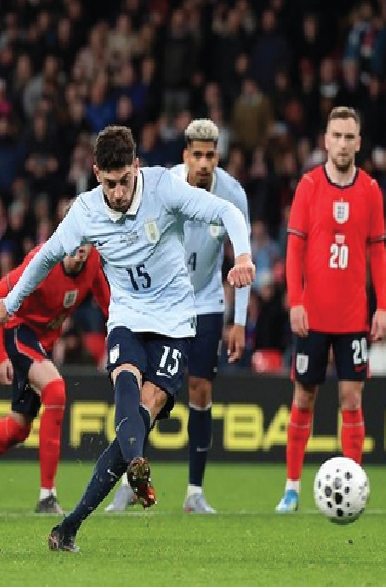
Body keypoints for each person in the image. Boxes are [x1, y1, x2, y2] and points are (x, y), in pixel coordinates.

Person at [0, 125, 255, 552]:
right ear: (96, 174)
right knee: (125, 384)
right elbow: (47, 256)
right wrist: (12, 304)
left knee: (143, 412)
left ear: (137, 168)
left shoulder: (165, 187)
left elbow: (229, 213)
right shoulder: (86, 211)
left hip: (174, 320)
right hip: (127, 314)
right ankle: (120, 478)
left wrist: (242, 256)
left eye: (124, 181)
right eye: (108, 183)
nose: (117, 192)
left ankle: (79, 515)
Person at [104, 118, 250, 514]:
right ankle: (129, 480)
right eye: (196, 154)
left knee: (201, 391)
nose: (203, 163)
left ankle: (194, 492)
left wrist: (240, 320)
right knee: (145, 392)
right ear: (186, 155)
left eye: (210, 155)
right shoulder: (164, 185)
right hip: (160, 304)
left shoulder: (233, 194)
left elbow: (242, 253)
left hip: (205, 302)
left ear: (218, 156)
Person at [276, 107, 386, 513]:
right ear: (326, 140)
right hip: (313, 316)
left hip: (353, 316)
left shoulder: (371, 191)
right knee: (304, 397)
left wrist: (383, 306)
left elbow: (378, 249)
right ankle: (291, 488)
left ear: (359, 142)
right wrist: (296, 302)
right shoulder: (308, 187)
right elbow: (294, 249)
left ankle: (353, 486)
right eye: (336, 136)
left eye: (349, 137)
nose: (342, 143)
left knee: (351, 399)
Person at [0, 242, 109, 514]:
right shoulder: (44, 260)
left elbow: (109, 305)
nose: (81, 247)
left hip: (42, 343)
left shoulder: (92, 263)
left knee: (20, 427)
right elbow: (0, 291)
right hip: (18, 331)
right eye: (77, 239)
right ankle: (47, 497)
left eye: (87, 240)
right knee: (56, 390)